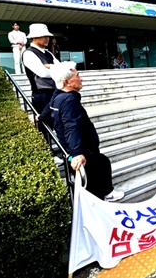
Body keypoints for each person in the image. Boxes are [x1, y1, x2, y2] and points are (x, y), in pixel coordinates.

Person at [45, 61, 124, 202]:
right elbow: (71, 126)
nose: (81, 78)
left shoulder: (59, 97)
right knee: (93, 178)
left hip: (80, 147)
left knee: (102, 163)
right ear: (67, 82)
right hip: (83, 149)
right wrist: (76, 153)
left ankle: (106, 193)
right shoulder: (69, 100)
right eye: (77, 75)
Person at [22, 23, 60, 118]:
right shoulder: (28, 53)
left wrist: (49, 66)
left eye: (47, 36)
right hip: (41, 95)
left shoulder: (48, 53)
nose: (47, 38)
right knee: (46, 126)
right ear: (34, 37)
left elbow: (62, 69)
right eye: (44, 36)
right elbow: (43, 73)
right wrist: (55, 68)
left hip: (55, 92)